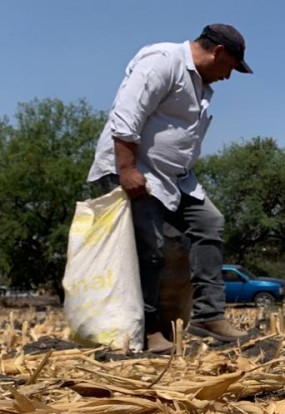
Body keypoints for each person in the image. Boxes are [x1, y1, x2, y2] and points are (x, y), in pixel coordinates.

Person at [87, 24, 253, 353]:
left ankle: (209, 316)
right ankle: (147, 332)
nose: (228, 77)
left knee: (209, 223)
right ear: (217, 52)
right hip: (137, 171)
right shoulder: (163, 61)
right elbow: (126, 115)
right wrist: (128, 169)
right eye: (229, 68)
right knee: (150, 250)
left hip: (175, 178)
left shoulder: (200, 83)